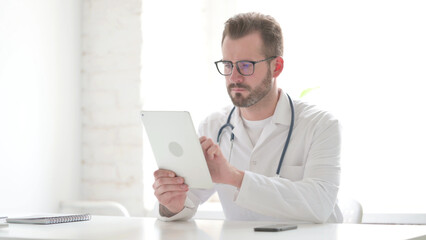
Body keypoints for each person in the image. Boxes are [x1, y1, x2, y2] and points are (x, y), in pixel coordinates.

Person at [152, 12, 343, 223]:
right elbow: (188, 200)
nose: (234, 77)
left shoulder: (320, 125)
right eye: (227, 65)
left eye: (245, 65)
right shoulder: (214, 126)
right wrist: (172, 203)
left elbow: (320, 204)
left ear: (276, 67)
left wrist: (234, 177)